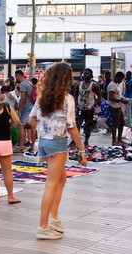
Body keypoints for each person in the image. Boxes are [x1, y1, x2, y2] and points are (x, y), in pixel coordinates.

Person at [28, 62, 87, 240]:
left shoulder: (42, 98)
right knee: (52, 184)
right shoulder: (67, 99)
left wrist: (45, 124)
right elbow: (72, 126)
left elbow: (30, 122)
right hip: (57, 143)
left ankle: (53, 219)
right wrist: (81, 149)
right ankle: (43, 227)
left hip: (44, 142)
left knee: (60, 180)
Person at [70, 68, 101, 147]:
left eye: (87, 73)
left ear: (91, 75)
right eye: (84, 73)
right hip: (80, 109)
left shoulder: (94, 85)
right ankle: (74, 141)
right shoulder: (79, 84)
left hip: (89, 109)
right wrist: (76, 104)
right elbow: (76, 95)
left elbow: (99, 97)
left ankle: (86, 141)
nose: (84, 75)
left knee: (88, 125)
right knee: (77, 124)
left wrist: (94, 105)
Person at [15, 69, 37, 153]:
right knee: (33, 127)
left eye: (16, 76)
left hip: (26, 108)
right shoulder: (29, 83)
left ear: (18, 75)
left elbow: (23, 98)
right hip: (33, 107)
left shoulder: (23, 84)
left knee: (21, 126)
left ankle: (21, 147)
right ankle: (32, 147)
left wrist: (20, 111)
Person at [108, 71, 129, 146]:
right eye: (121, 79)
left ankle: (119, 139)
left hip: (118, 106)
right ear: (118, 77)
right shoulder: (112, 85)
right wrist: (121, 100)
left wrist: (122, 99)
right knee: (115, 124)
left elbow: (117, 95)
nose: (121, 81)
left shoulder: (116, 85)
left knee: (121, 123)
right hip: (114, 107)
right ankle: (114, 140)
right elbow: (111, 97)